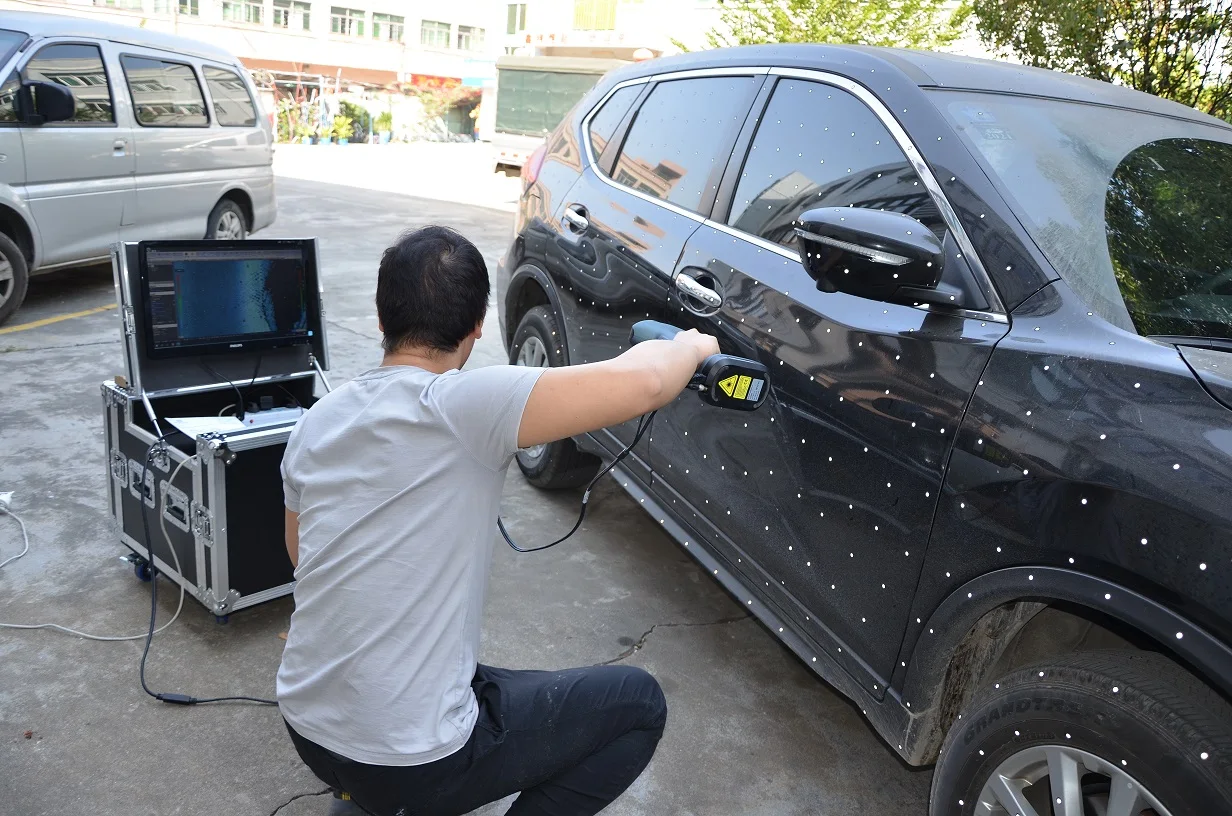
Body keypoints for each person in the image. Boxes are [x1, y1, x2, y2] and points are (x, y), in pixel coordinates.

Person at [277, 225, 720, 816]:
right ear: (478, 327)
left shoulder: (317, 421)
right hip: (413, 758)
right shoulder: (469, 405)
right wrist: (693, 346)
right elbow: (645, 381)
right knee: (637, 705)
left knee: (471, 681)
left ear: (382, 319)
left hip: (307, 727)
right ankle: (392, 790)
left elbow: (300, 556)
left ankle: (367, 796)